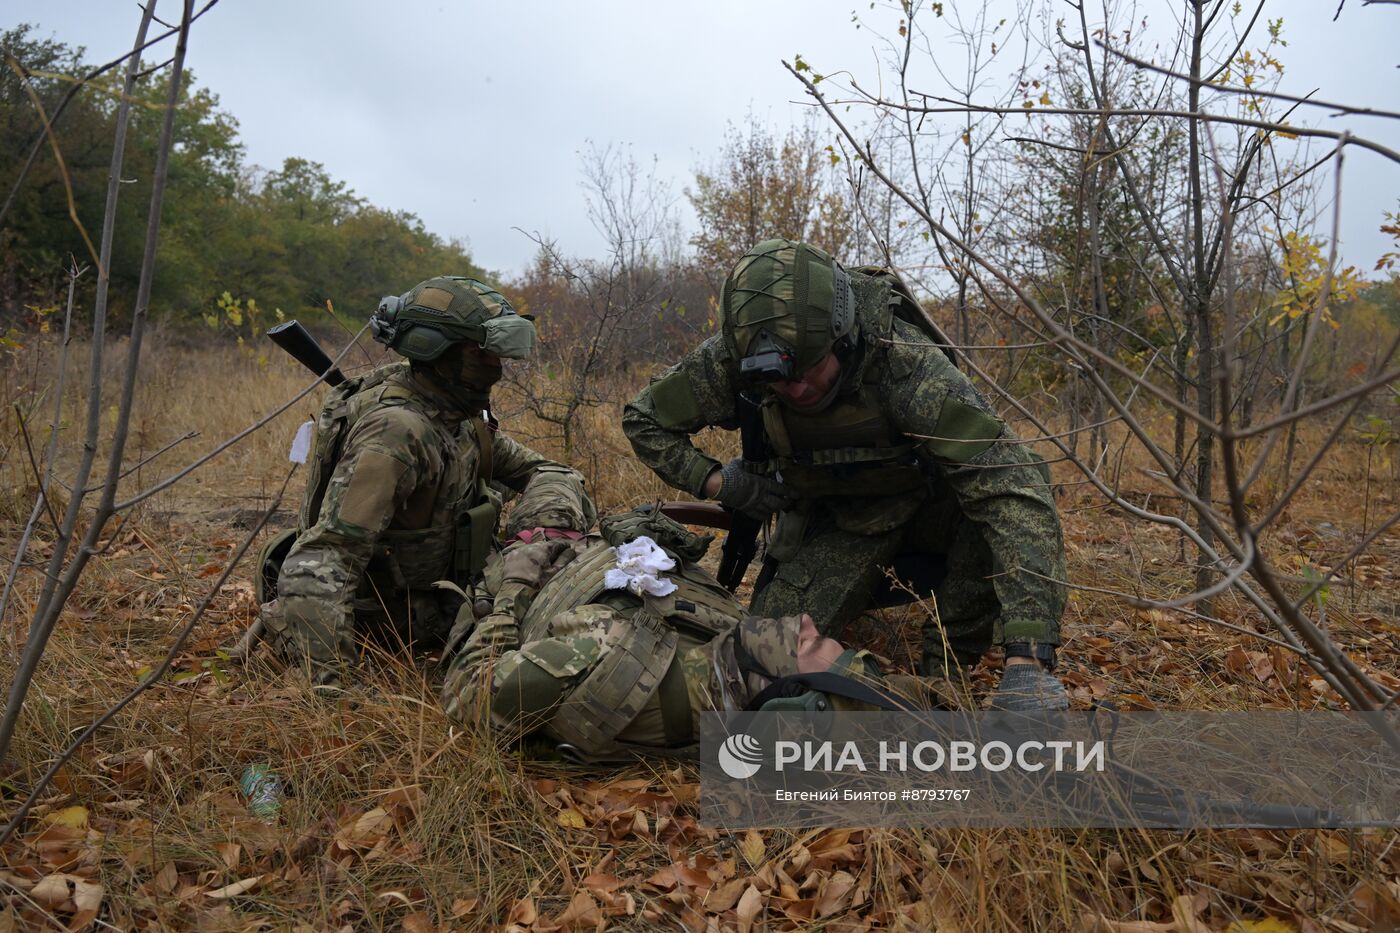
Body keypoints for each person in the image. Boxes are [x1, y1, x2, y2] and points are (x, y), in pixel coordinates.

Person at [622, 239, 1068, 711]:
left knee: (986, 507)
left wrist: (1029, 658)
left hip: (928, 513)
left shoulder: (905, 363)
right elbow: (645, 420)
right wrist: (720, 482)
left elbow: (1011, 486)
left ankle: (946, 668)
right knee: (759, 660)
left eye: (808, 368)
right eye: (775, 378)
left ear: (843, 337)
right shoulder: (736, 355)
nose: (793, 388)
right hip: (840, 521)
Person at [257, 275, 593, 688]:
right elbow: (320, 562)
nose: (497, 371)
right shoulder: (397, 433)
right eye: (479, 356)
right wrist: (333, 690)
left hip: (447, 599)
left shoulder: (453, 413)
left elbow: (550, 472)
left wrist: (538, 534)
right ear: (436, 353)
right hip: (392, 624)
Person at [439, 507, 936, 761]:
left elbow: (470, 698)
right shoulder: (723, 669)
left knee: (551, 482)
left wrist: (513, 588)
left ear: (783, 697)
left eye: (805, 646)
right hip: (593, 547)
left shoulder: (608, 664)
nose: (804, 624)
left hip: (539, 559)